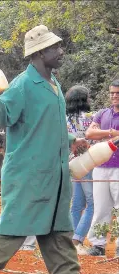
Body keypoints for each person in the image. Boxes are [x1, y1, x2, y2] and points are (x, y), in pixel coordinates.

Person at [0, 25, 101, 274]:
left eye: (59, 46)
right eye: (54, 48)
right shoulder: (24, 84)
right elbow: (1, 114)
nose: (61, 51)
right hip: (29, 175)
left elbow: (43, 126)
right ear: (39, 53)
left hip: (54, 174)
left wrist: (74, 140)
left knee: (58, 231)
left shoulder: (54, 84)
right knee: (14, 228)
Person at [85, 79, 119, 256]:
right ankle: (98, 245)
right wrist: (110, 133)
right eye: (112, 92)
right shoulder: (102, 113)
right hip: (100, 165)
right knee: (100, 207)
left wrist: (107, 134)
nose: (114, 96)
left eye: (117, 93)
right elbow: (90, 133)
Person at [65, 85, 95, 254]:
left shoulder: (64, 118)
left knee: (76, 204)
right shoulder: (91, 117)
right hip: (89, 162)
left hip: (71, 163)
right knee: (92, 203)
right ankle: (77, 238)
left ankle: (73, 242)